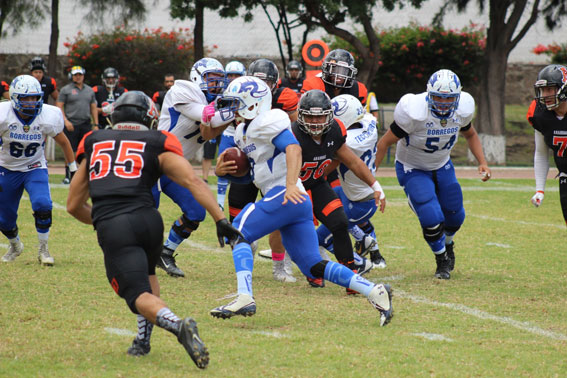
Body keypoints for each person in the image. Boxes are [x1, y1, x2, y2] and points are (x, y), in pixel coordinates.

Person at [67, 91, 242, 367]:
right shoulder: (158, 140)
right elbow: (194, 182)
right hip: (150, 221)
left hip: (115, 222)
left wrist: (102, 221)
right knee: (147, 276)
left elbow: (73, 205)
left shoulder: (94, 140)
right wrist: (221, 220)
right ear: (149, 118)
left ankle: (177, 325)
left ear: (115, 116)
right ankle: (143, 340)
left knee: (136, 293)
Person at [212, 76, 393, 326]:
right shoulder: (244, 130)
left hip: (286, 194)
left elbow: (293, 149)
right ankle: (374, 291)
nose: (232, 108)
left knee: (238, 231)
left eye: (237, 102)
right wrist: (221, 171)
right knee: (313, 265)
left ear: (253, 104)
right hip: (295, 200)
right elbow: (254, 170)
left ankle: (244, 296)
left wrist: (288, 185)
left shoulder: (267, 121)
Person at [375, 69, 491, 280]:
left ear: (457, 97)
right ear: (428, 94)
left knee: (455, 215)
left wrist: (482, 162)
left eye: (449, 98)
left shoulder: (462, 110)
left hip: (442, 164)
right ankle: (441, 260)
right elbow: (384, 143)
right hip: (413, 167)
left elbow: (471, 134)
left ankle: (448, 244)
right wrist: (370, 177)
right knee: (431, 216)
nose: (443, 103)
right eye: (438, 97)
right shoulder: (414, 113)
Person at [291, 90, 382, 290]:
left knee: (339, 222)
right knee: (303, 234)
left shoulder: (334, 131)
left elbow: (354, 162)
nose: (315, 122)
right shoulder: (293, 134)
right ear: (301, 115)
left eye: (320, 116)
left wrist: (375, 185)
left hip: (315, 184)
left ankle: (351, 275)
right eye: (310, 116)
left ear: (330, 116)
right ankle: (310, 269)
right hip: (291, 190)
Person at [155, 57, 233, 277]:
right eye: (212, 79)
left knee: (196, 212)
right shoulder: (183, 89)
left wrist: (231, 112)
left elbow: (209, 132)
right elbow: (207, 115)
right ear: (197, 77)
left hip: (175, 166)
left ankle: (166, 252)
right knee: (147, 216)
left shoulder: (216, 102)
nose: (217, 85)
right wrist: (235, 110)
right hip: (153, 162)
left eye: (220, 80)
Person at [0, 75, 77, 266]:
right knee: (4, 220)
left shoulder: (47, 116)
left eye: (34, 97)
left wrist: (73, 170)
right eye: (26, 98)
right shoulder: (4, 114)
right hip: (6, 168)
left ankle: (43, 248)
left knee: (43, 204)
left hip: (35, 167)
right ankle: (15, 245)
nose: (31, 102)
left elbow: (65, 143)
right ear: (15, 98)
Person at [315, 94, 387, 268]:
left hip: (360, 203)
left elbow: (325, 168)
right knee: (321, 205)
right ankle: (363, 239)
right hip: (350, 193)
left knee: (321, 238)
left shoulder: (349, 142)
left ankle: (360, 263)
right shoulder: (368, 121)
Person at [244, 58, 299, 282]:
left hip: (276, 161)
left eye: (266, 82)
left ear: (275, 83)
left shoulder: (284, 98)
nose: (262, 88)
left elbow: (294, 128)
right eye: (257, 83)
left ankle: (280, 265)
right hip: (249, 156)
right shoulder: (241, 95)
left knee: (281, 218)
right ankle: (247, 247)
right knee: (239, 215)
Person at [526, 64, 567, 226]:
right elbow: (541, 153)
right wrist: (539, 190)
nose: (546, 95)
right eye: (543, 90)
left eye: (551, 89)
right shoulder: (540, 115)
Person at [56, 65, 98, 184]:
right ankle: (68, 175)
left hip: (85, 123)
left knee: (87, 150)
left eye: (80, 75)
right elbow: (59, 106)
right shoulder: (66, 90)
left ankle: (85, 175)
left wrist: (96, 124)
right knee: (70, 150)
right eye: (75, 75)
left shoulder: (90, 90)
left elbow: (93, 107)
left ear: (83, 75)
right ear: (72, 76)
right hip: (71, 123)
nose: (78, 77)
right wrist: (65, 121)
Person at [216, 61, 246, 210]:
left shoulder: (248, 91)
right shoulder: (222, 93)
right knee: (222, 162)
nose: (233, 78)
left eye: (237, 75)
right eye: (231, 75)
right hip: (229, 133)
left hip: (247, 134)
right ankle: (220, 202)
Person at [301, 49, 368, 106]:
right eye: (334, 69)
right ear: (326, 68)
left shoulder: (358, 89)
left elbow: (361, 116)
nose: (339, 74)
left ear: (350, 72)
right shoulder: (314, 84)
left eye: (343, 70)